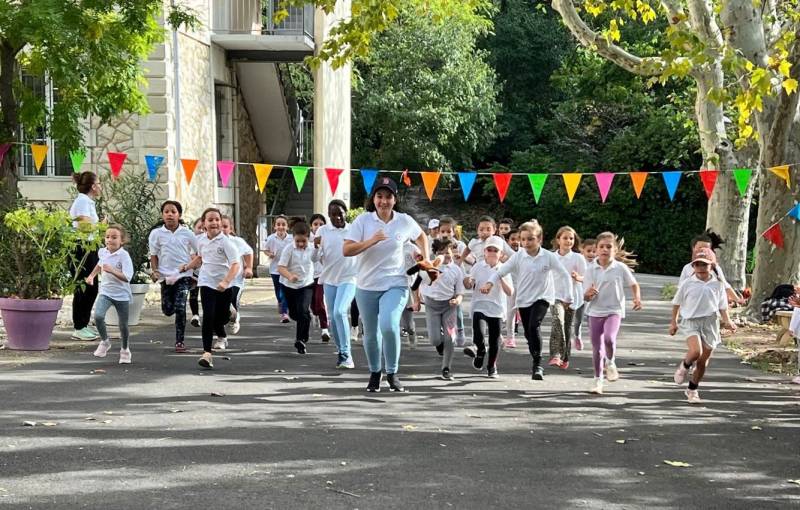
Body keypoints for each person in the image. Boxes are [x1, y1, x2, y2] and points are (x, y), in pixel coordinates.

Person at [344, 176, 430, 392]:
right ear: (373, 199)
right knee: (371, 333)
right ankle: (375, 372)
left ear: (395, 199)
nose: (384, 201)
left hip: (396, 282)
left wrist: (425, 258)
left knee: (389, 325)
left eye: (388, 197)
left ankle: (392, 373)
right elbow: (347, 250)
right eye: (379, 196)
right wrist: (371, 240)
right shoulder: (363, 221)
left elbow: (422, 237)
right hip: (366, 285)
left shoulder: (404, 220)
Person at [480, 220, 572, 380]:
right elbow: (500, 271)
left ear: (540, 239)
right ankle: (535, 353)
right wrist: (489, 283)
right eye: (523, 239)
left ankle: (537, 365)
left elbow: (564, 274)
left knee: (534, 325)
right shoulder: (518, 257)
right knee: (529, 334)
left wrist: (568, 297)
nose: (526, 243)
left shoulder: (548, 257)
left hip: (543, 298)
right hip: (523, 299)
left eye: (530, 239)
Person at [670, 248, 737, 403]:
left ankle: (692, 389)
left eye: (704, 264)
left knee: (702, 362)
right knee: (695, 351)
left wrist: (728, 321)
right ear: (693, 266)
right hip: (691, 321)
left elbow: (722, 306)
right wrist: (673, 322)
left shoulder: (718, 284)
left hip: (710, 322)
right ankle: (684, 366)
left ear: (712, 266)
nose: (700, 267)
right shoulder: (688, 283)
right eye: (697, 264)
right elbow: (676, 303)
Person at [583, 231, 643, 395]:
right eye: (601, 247)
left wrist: (637, 298)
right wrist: (589, 294)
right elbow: (585, 296)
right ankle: (598, 380)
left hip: (614, 310)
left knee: (609, 339)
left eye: (608, 247)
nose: (604, 250)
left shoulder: (620, 267)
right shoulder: (590, 269)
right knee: (597, 349)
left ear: (614, 250)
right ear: (596, 249)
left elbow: (634, 284)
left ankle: (611, 362)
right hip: (595, 311)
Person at [180, 208, 240, 369]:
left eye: (216, 220)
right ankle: (207, 353)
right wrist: (187, 266)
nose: (214, 222)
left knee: (220, 318)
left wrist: (226, 282)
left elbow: (235, 264)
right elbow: (200, 257)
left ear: (221, 222)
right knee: (208, 316)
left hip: (224, 285)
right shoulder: (200, 240)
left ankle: (230, 312)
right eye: (210, 220)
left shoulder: (226, 242)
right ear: (204, 223)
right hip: (206, 281)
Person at [149, 200, 197, 353]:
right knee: (168, 310)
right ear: (162, 215)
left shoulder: (187, 233)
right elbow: (154, 255)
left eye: (173, 212)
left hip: (183, 275)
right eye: (166, 212)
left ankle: (179, 341)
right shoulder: (156, 234)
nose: (170, 214)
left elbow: (198, 253)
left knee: (180, 306)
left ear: (179, 215)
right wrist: (155, 271)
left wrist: (192, 267)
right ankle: (173, 310)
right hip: (165, 276)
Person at [315, 200, 359, 368]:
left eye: (340, 213)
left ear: (345, 213)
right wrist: (315, 248)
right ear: (329, 215)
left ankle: (347, 354)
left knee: (340, 311)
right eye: (333, 214)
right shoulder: (323, 231)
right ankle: (341, 351)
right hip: (329, 279)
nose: (337, 217)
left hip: (349, 277)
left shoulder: (354, 229)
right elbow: (314, 258)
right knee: (333, 317)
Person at [463, 236, 513, 378]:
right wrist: (468, 280)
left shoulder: (504, 269)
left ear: (501, 254)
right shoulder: (478, 266)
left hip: (496, 309)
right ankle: (480, 351)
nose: (491, 252)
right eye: (489, 249)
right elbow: (468, 285)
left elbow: (510, 292)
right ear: (484, 252)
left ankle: (491, 366)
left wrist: (501, 277)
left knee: (494, 339)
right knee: (478, 335)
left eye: (495, 250)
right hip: (479, 305)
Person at [420, 238, 466, 381]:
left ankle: (446, 368)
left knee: (450, 338)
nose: (447, 255)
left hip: (449, 307)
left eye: (449, 252)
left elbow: (460, 292)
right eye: (442, 252)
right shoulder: (430, 267)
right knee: (434, 340)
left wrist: (457, 300)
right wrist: (416, 300)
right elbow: (417, 284)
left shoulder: (456, 270)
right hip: (432, 306)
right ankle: (439, 344)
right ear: (436, 254)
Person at [87, 225, 134, 364]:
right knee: (98, 316)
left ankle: (125, 350)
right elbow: (100, 265)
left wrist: (112, 270)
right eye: (107, 237)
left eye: (114, 237)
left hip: (122, 295)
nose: (110, 240)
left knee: (123, 325)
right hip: (106, 292)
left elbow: (127, 277)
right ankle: (105, 341)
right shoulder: (103, 252)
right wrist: (91, 276)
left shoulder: (124, 256)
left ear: (122, 241)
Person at [69, 171, 102, 341]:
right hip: (81, 247)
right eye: (99, 183)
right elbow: (83, 226)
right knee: (84, 286)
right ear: (93, 185)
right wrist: (101, 226)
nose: (100, 187)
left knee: (92, 286)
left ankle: (84, 323)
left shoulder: (88, 201)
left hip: (90, 246)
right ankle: (79, 326)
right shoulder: (82, 201)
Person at [549, 226, 587, 370]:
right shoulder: (551, 257)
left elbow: (587, 278)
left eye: (571, 238)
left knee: (566, 328)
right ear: (558, 240)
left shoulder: (578, 258)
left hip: (572, 297)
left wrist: (578, 277)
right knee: (557, 321)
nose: (568, 241)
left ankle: (565, 357)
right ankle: (555, 355)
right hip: (555, 296)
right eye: (565, 238)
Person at [278, 221, 316, 354]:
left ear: (308, 238)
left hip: (306, 285)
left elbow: (319, 259)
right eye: (298, 241)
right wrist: (289, 276)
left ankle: (301, 340)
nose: (300, 244)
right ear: (293, 237)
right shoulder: (289, 249)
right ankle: (306, 318)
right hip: (289, 285)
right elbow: (281, 267)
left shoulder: (312, 248)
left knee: (302, 310)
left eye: (303, 241)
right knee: (295, 313)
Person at [678, 233, 743, 305]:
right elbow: (681, 288)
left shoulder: (715, 268)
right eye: (700, 248)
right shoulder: (687, 268)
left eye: (707, 248)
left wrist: (738, 300)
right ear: (693, 248)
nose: (703, 250)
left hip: (711, 306)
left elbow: (725, 285)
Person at [221, 215, 254, 338]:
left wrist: (249, 268)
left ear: (230, 228)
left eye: (225, 227)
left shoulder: (237, 242)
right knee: (221, 304)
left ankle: (234, 318)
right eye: (219, 227)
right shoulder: (211, 242)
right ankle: (222, 322)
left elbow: (249, 252)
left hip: (236, 280)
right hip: (219, 279)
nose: (222, 230)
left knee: (232, 300)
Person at [438, 216, 468, 345]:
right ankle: (444, 329)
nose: (446, 234)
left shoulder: (460, 244)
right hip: (442, 277)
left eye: (449, 231)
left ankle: (460, 329)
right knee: (441, 303)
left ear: (454, 231)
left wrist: (458, 257)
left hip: (457, 275)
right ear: (439, 231)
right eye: (443, 231)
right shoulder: (436, 244)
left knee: (457, 304)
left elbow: (467, 260)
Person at [262, 215, 293, 323]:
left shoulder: (291, 239)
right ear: (275, 227)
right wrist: (270, 254)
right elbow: (265, 250)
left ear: (287, 227)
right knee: (278, 290)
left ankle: (284, 313)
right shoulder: (271, 238)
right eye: (278, 224)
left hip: (287, 269)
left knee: (284, 290)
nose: (281, 227)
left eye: (283, 224)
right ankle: (281, 302)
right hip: (275, 269)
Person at [309, 213, 331, 342]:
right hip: (307, 277)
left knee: (320, 301)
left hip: (321, 275)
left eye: (321, 224)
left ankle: (325, 329)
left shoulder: (327, 239)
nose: (318, 227)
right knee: (313, 303)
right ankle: (315, 313)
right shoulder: (306, 239)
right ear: (311, 226)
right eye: (315, 224)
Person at [573, 238, 597, 350]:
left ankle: (595, 339)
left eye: (594, 251)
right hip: (581, 295)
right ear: (582, 250)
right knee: (578, 319)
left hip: (593, 296)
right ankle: (577, 336)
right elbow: (584, 276)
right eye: (589, 251)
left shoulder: (598, 263)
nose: (591, 254)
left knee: (591, 318)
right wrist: (577, 277)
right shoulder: (579, 260)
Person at [189, 217, 205, 328]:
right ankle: (195, 315)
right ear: (194, 229)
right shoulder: (192, 241)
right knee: (193, 294)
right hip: (194, 272)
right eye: (199, 228)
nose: (201, 231)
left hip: (207, 275)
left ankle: (209, 317)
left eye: (204, 228)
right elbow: (192, 255)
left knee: (206, 296)